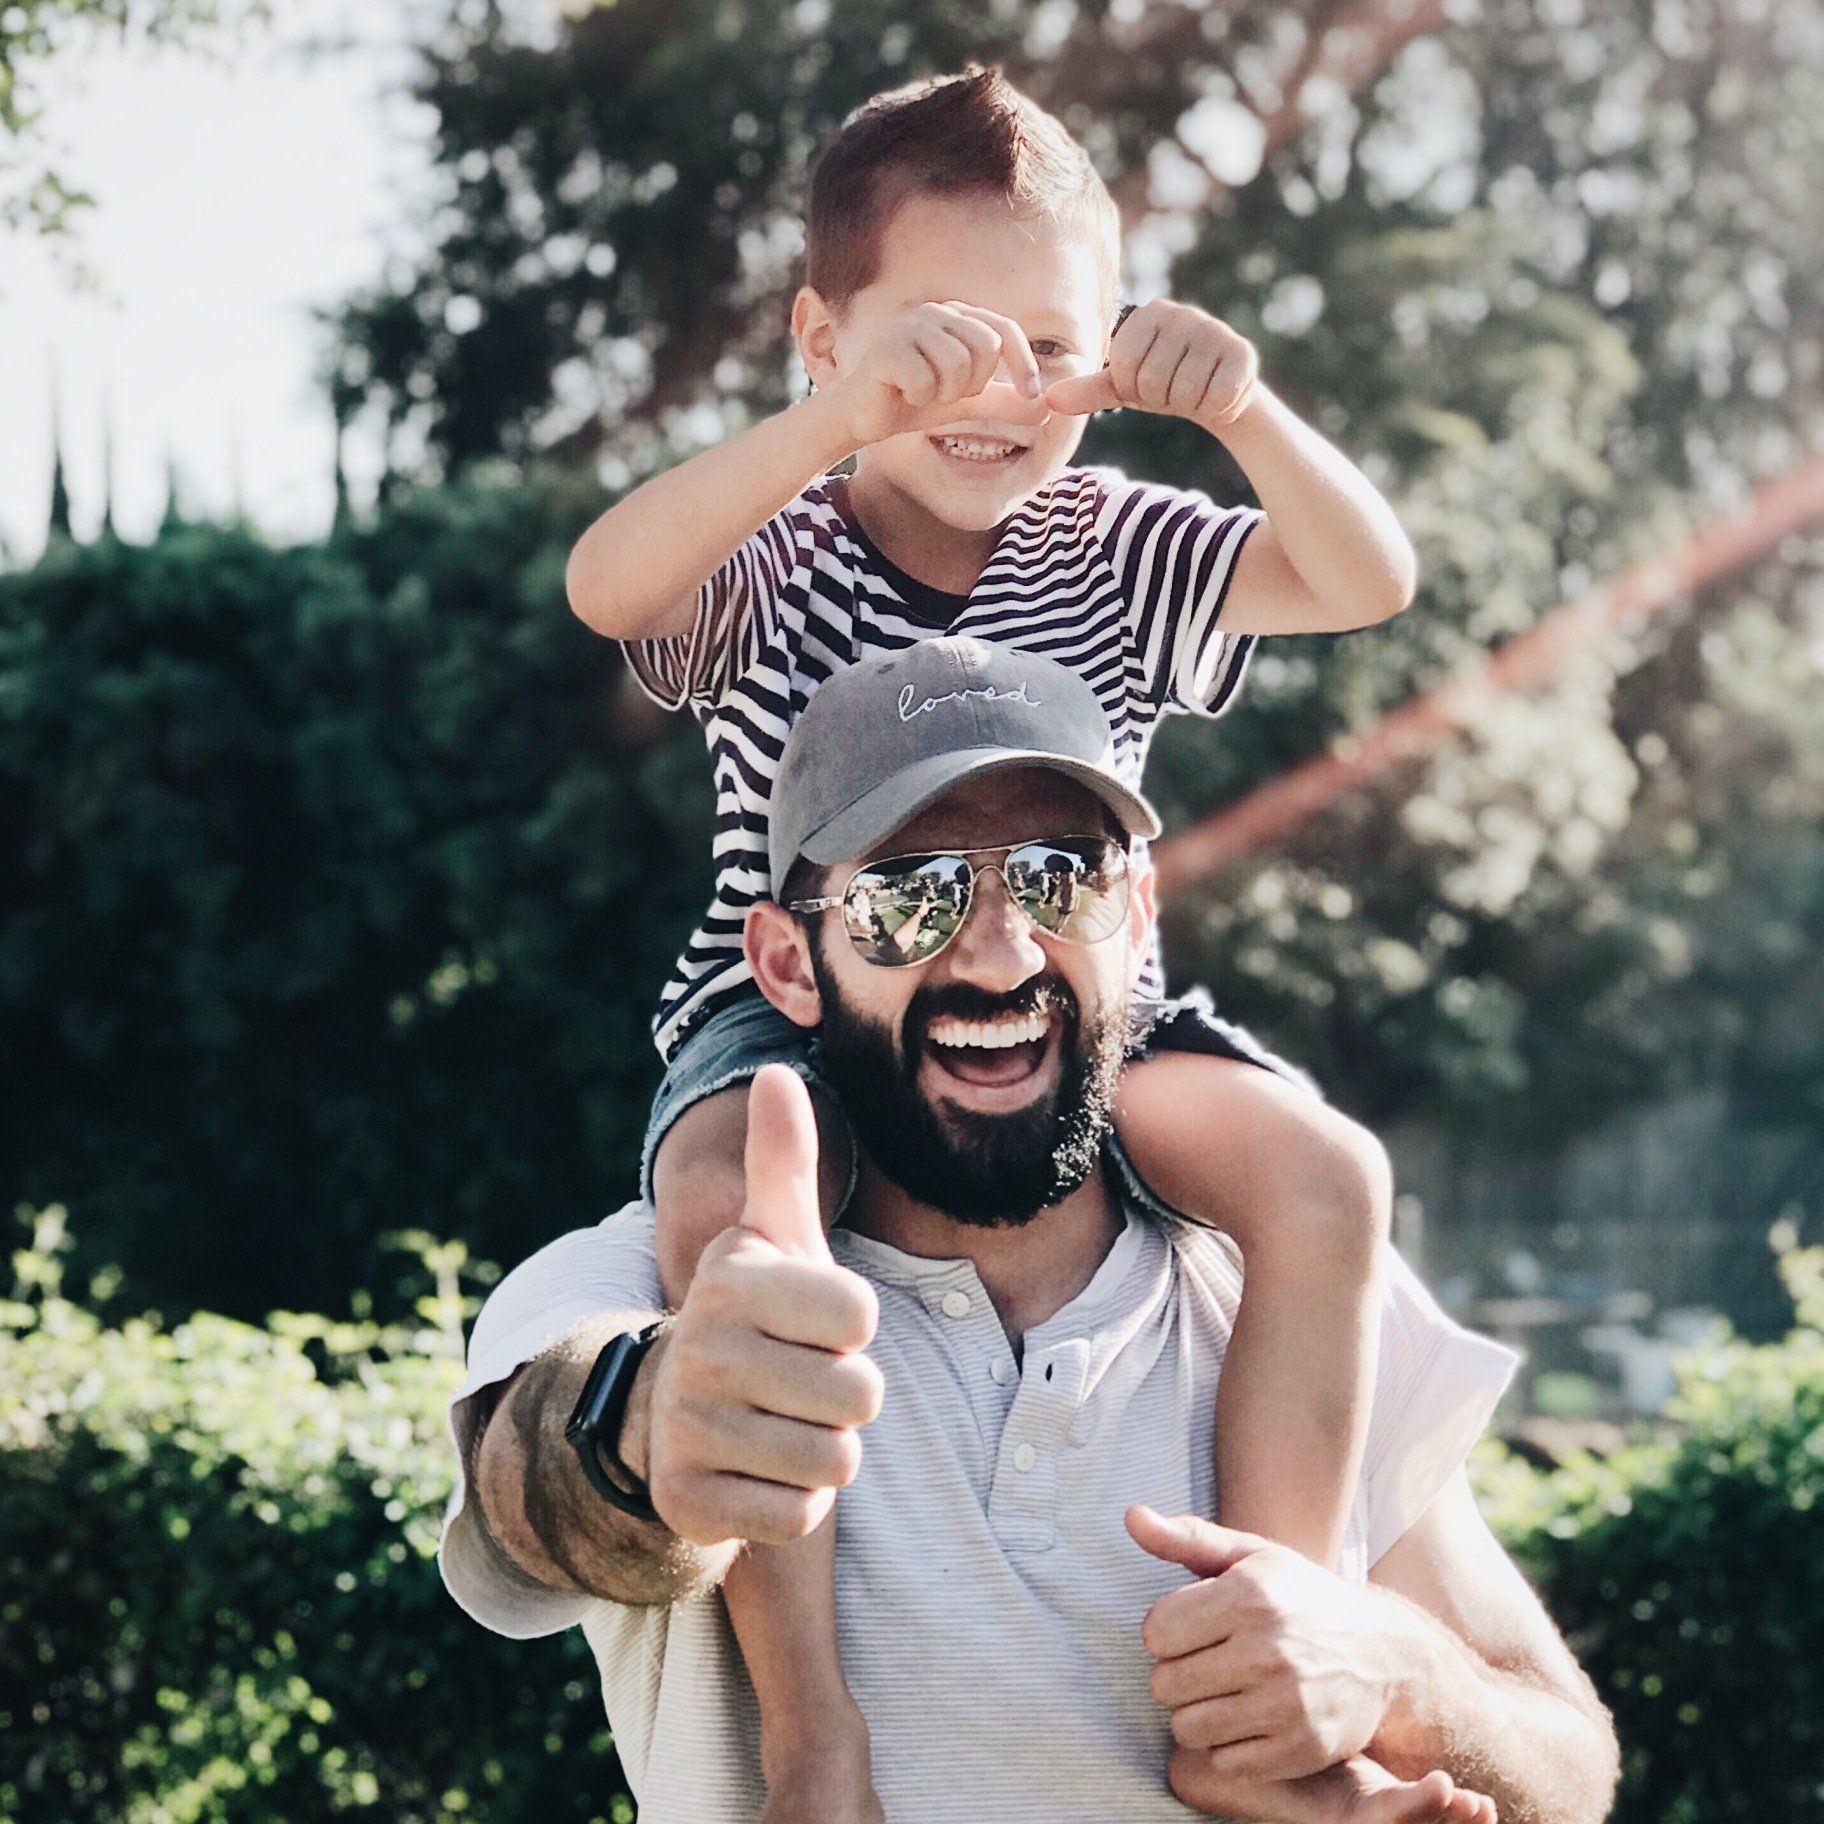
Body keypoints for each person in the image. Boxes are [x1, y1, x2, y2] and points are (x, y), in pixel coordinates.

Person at [563, 65, 1422, 1820]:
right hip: (791, 1008)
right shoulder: (776, 550)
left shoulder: (1117, 545)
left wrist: (1244, 411)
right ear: (824, 337)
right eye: (936, 343)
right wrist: (824, 424)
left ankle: (1255, 1666)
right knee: (732, 1209)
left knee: (1323, 1174)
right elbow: (607, 585)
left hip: (1081, 1010)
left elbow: (1365, 580)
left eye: (1047, 346)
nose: (995, 390)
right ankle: (811, 1723)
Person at [441, 640, 1620, 1824]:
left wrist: (1401, 1672)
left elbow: (1572, 1765)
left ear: (1137, 916)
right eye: (908, 896)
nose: (1001, 954)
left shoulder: (1286, 1289)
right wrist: (642, 1428)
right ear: (789, 964)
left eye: (1063, 878)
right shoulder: (672, 1286)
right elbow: (527, 1495)